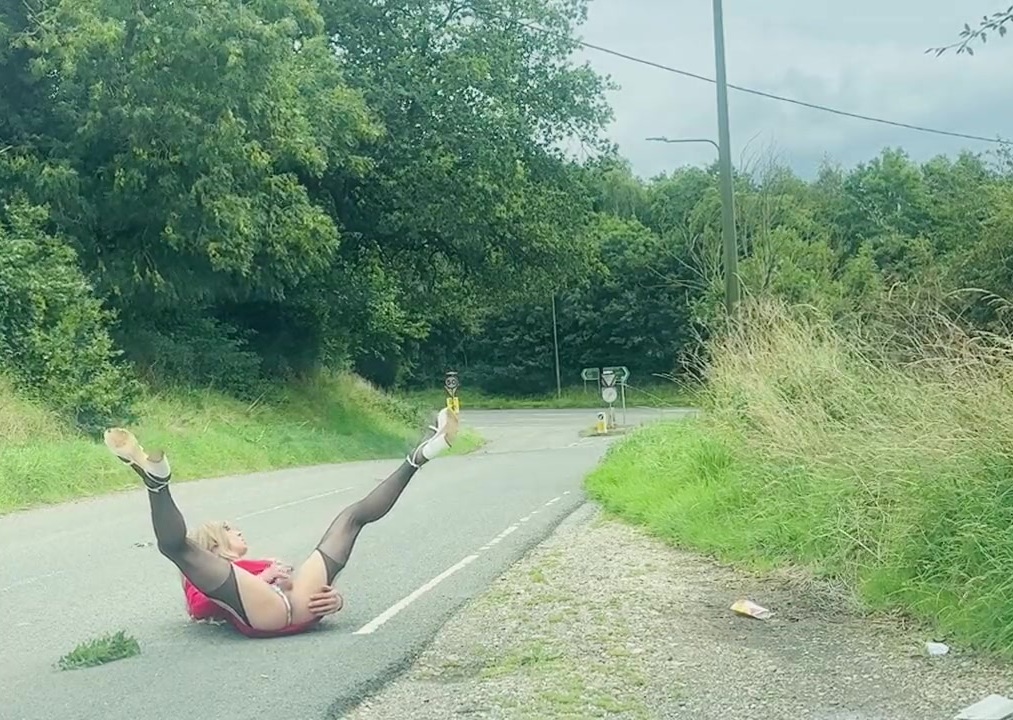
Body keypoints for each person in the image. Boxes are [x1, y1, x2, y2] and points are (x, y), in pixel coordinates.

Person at [104, 407, 460, 639]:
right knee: (178, 548)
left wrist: (333, 601)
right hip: (267, 610)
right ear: (214, 548)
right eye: (227, 529)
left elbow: (293, 583)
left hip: (296, 606)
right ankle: (157, 484)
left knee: (350, 518)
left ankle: (420, 454)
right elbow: (199, 607)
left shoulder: (251, 565)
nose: (236, 529)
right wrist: (263, 579)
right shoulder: (214, 572)